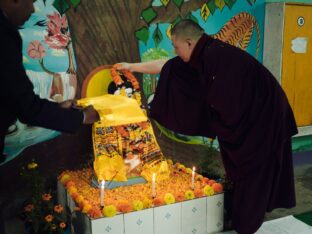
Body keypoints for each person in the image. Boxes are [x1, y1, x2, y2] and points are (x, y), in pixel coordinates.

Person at [118, 19, 297, 234]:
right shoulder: (202, 54)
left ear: (189, 42)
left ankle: (246, 227)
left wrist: (217, 126)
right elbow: (168, 66)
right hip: (254, 116)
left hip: (266, 119)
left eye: (176, 46)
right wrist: (131, 67)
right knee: (242, 175)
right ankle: (243, 220)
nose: (176, 51)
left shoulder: (217, 58)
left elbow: (228, 104)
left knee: (253, 174)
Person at [0, 0, 100, 163]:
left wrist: (58, 108)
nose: (32, 9)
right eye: (30, 2)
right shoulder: (4, 36)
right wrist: (82, 118)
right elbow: (26, 107)